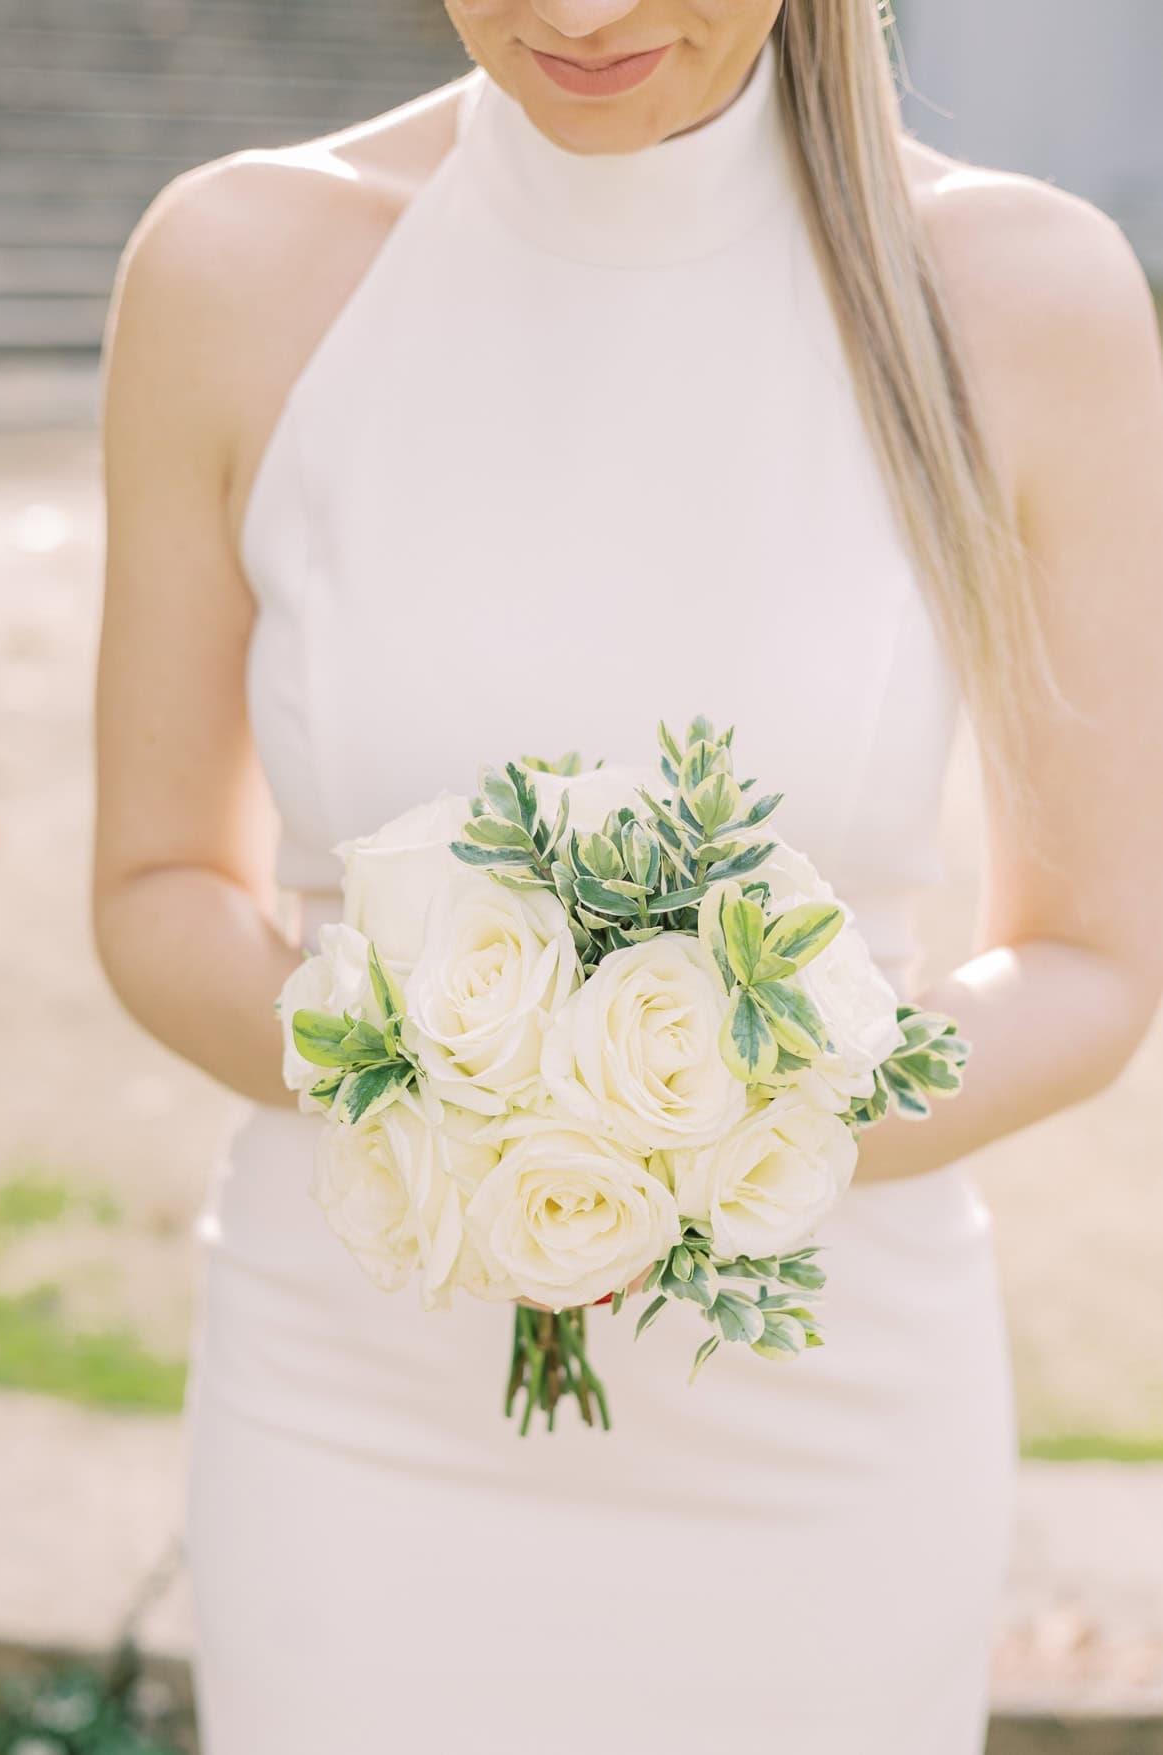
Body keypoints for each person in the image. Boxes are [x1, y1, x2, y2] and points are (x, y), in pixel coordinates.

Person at [90, 2, 1163, 1751]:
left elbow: (1090, 963)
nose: (578, 15)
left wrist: (716, 1150)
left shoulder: (1024, 296)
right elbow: (150, 892)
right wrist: (458, 1114)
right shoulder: (241, 265)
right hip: (350, 1418)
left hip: (825, 1446)